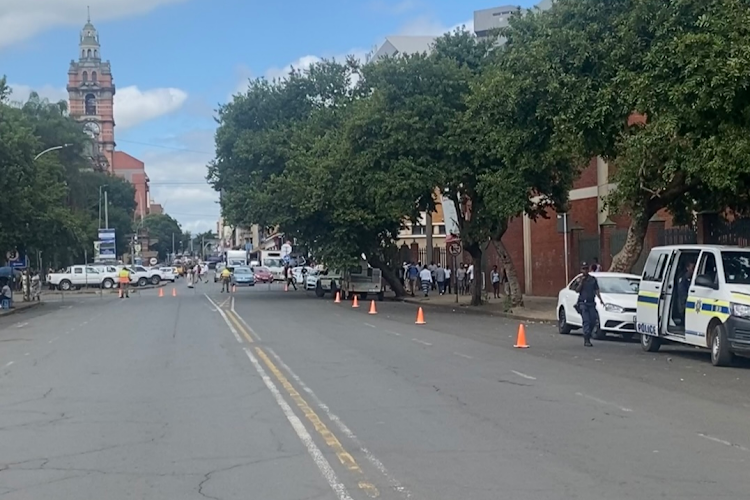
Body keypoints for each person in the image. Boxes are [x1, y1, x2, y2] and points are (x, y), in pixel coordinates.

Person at [574, 262, 604, 347]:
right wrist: (581, 283)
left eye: (586, 268)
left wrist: (601, 299)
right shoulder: (579, 279)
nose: (585, 270)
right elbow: (577, 290)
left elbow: (596, 290)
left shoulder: (593, 279)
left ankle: (588, 334)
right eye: (583, 269)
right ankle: (586, 339)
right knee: (586, 321)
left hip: (591, 303)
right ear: (581, 270)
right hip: (583, 303)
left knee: (593, 321)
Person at [676, 260, 695, 325]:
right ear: (687, 268)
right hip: (683, 304)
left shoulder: (694, 278)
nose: (693, 270)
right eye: (692, 268)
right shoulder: (683, 279)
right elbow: (682, 293)